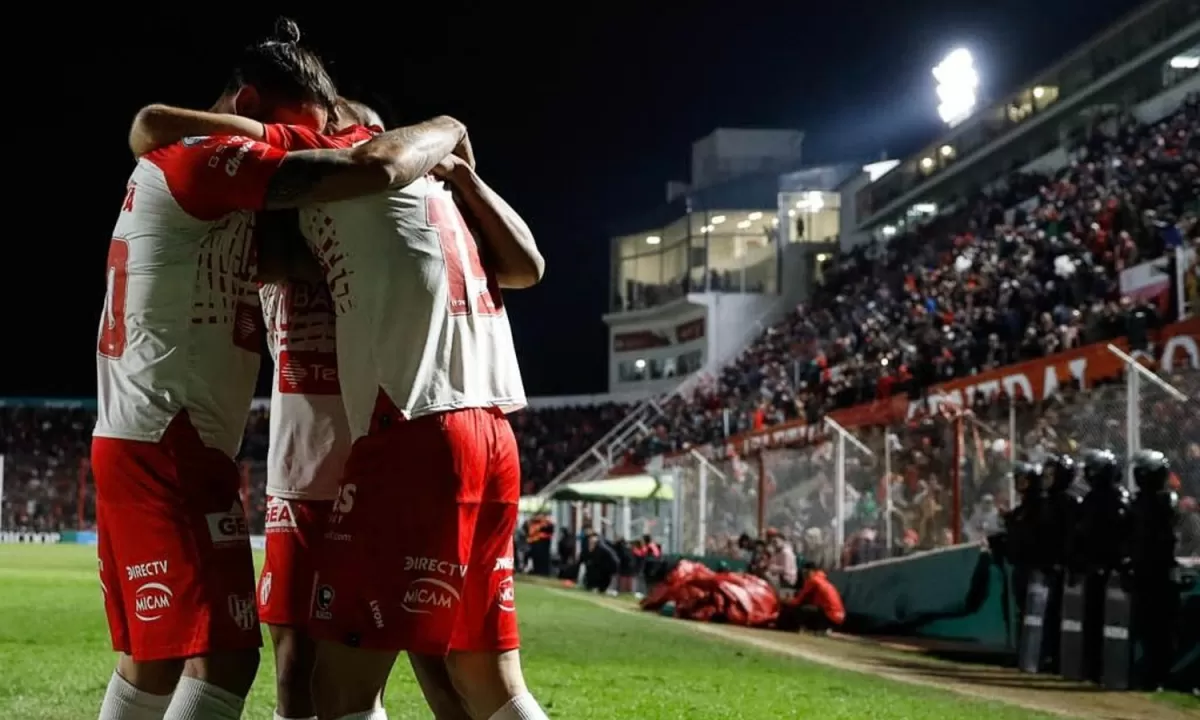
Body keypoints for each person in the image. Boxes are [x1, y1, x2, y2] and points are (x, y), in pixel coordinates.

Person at [100, 19, 469, 720]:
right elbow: (368, 166)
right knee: (231, 656)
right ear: (246, 110)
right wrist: (440, 130)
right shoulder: (201, 159)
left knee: (151, 663)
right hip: (169, 435)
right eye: (296, 131)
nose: (311, 140)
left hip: (161, 434)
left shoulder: (221, 197)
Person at [130, 98, 546, 720]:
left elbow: (525, 265)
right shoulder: (309, 190)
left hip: (393, 445)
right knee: (306, 667)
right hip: (309, 469)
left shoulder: (394, 188)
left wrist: (453, 167)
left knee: (426, 670)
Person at [255, 218, 349, 720]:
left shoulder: (370, 234)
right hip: (295, 475)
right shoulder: (268, 240)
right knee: (292, 660)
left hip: (370, 475)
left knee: (355, 666)